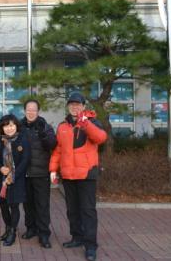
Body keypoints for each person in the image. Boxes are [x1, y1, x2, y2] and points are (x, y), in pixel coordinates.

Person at [49, 92, 107, 261]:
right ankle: (77, 237)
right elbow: (58, 150)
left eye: (78, 104)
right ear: (68, 106)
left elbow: (101, 138)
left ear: (83, 106)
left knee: (88, 211)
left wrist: (86, 124)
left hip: (86, 174)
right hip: (68, 175)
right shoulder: (62, 126)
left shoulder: (92, 122)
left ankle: (90, 246)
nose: (75, 107)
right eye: (72, 104)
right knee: (72, 210)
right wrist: (53, 170)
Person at [0, 114, 31, 246]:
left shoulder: (23, 140)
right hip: (1, 179)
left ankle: (13, 232)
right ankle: (8, 228)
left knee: (14, 206)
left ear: (16, 126)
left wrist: (12, 175)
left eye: (12, 125)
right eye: (6, 126)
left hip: (16, 180)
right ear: (2, 127)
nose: (9, 128)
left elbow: (25, 161)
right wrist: (0, 168)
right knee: (3, 205)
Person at [20, 99, 57, 248]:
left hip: (41, 172)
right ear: (24, 111)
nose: (31, 112)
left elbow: (52, 144)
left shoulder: (45, 126)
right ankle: (31, 229)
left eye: (33, 109)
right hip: (24, 173)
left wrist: (43, 134)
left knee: (42, 205)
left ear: (38, 111)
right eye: (28, 109)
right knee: (28, 204)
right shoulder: (19, 126)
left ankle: (44, 234)